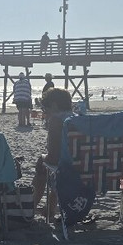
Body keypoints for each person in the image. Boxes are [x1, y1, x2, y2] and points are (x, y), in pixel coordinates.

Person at [31, 87, 74, 222]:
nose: (44, 113)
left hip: (67, 172)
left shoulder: (57, 121)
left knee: (44, 163)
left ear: (54, 106)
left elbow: (54, 158)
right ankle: (49, 208)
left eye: (45, 109)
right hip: (86, 172)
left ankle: (31, 206)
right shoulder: (79, 119)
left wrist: (42, 158)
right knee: (57, 166)